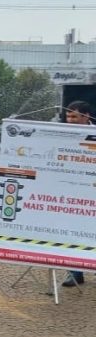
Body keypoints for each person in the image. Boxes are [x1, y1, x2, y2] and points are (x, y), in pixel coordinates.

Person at [61, 100, 93, 287]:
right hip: (72, 192)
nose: (70, 120)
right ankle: (75, 272)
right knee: (72, 231)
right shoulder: (61, 134)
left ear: (86, 116)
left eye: (74, 116)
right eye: (68, 116)